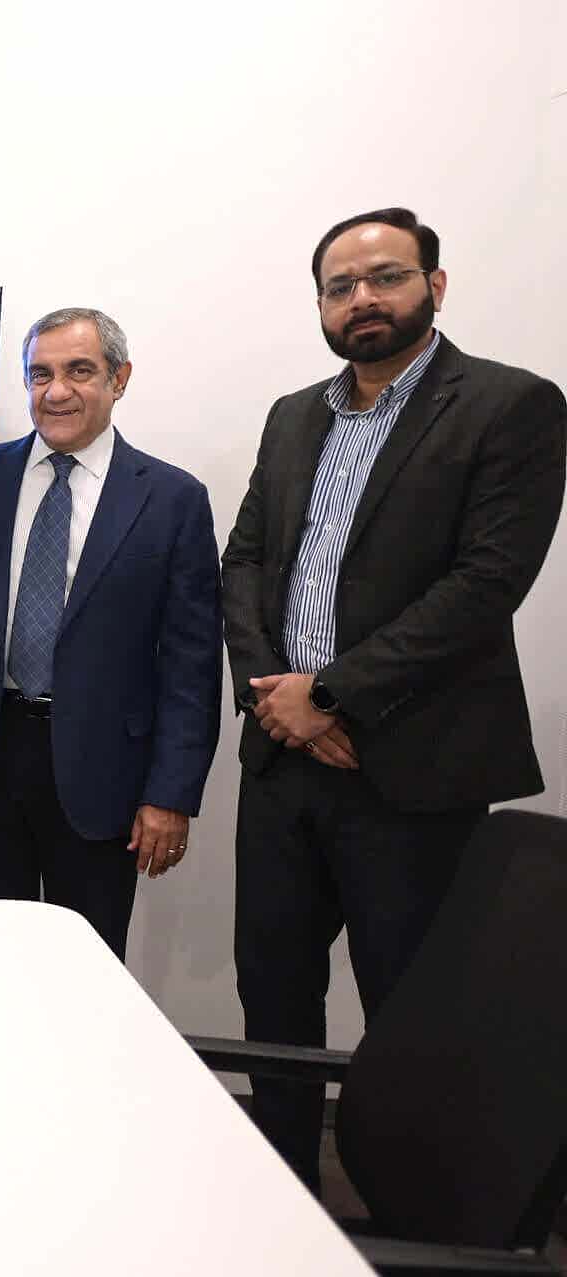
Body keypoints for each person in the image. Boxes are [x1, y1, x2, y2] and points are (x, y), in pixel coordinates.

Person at [221, 206, 566, 1191]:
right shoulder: (296, 414)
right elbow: (245, 562)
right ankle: (274, 1194)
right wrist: (278, 702)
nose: (363, 298)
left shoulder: (511, 405)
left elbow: (487, 581)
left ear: (435, 286)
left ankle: (417, 1219)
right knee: (273, 1000)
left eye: (386, 277)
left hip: (413, 770)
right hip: (285, 767)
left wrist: (331, 692)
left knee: (411, 1010)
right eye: (341, 285)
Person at [0, 308, 221, 955]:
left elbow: (191, 664)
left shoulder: (172, 498)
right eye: (39, 373)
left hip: (105, 775)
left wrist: (171, 794)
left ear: (119, 378)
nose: (56, 390)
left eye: (79, 370)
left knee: (87, 966)